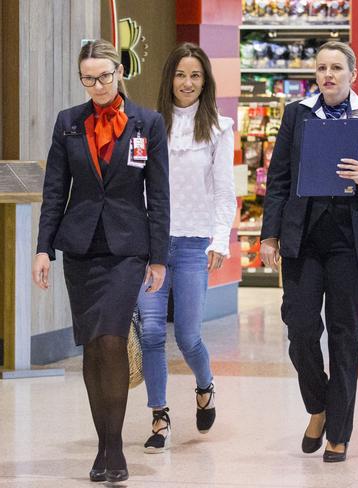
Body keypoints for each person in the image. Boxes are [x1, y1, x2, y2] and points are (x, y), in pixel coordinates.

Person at [260, 41, 358, 463]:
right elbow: (279, 179)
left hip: (351, 244)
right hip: (302, 241)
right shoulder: (297, 116)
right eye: (322, 68)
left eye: (337, 68)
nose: (328, 75)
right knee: (301, 328)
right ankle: (319, 406)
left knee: (345, 337)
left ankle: (339, 431)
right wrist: (270, 236)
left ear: (352, 74)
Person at [33, 39, 169, 482]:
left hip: (128, 249)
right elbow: (55, 190)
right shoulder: (69, 123)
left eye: (104, 76)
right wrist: (43, 248)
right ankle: (104, 445)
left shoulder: (148, 122)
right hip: (81, 249)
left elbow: (160, 195)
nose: (97, 85)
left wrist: (159, 257)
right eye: (88, 78)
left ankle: (115, 449)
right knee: (92, 347)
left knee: (112, 339)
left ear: (119, 72)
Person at [137, 42, 236, 453]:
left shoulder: (218, 128)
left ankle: (204, 385)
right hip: (152, 246)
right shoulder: (147, 125)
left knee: (190, 337)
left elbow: (224, 192)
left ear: (205, 81)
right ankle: (159, 417)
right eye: (181, 74)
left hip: (196, 244)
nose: (188, 82)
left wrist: (219, 239)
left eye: (195, 75)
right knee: (153, 333)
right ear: (169, 79)